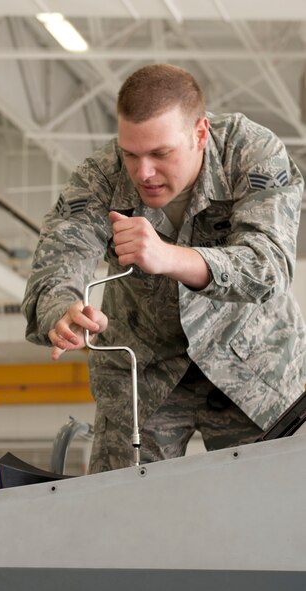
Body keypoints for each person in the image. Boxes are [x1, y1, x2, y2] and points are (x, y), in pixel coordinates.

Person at [22, 64, 306, 473]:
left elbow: (270, 266)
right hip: (143, 370)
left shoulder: (250, 152)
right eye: (131, 154)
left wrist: (169, 256)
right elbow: (59, 257)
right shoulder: (100, 176)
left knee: (274, 511)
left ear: (200, 133)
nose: (144, 173)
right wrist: (61, 310)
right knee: (122, 514)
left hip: (251, 363)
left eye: (160, 154)